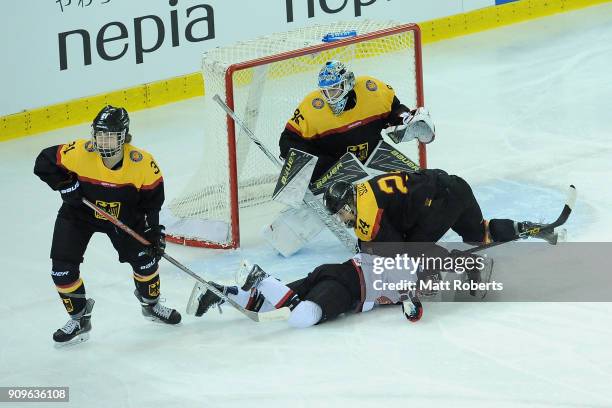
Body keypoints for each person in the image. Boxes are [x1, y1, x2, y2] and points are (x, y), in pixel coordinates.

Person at [34, 105, 181, 346]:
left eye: (111, 135)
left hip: (124, 217)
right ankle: (79, 319)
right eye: (100, 134)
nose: (104, 140)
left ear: (124, 136)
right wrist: (65, 183)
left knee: (147, 261)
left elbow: (152, 203)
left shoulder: (142, 162)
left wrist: (153, 232)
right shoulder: (80, 151)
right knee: (61, 270)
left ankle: (151, 306)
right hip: (79, 214)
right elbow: (43, 161)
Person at [279, 60, 434, 182]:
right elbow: (288, 140)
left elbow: (394, 110)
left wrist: (405, 119)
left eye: (333, 89)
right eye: (324, 91)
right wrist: (319, 165)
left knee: (414, 182)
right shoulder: (312, 106)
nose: (328, 96)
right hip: (334, 169)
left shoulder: (370, 88)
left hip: (374, 155)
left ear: (347, 83)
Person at [187, 256, 433, 329]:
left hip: (331, 273)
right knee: (303, 317)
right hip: (348, 286)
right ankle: (260, 278)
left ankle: (220, 292)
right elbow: (413, 310)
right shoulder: (412, 271)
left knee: (264, 305)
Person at [322, 170, 557, 245]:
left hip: (438, 203)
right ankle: (529, 229)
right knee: (480, 234)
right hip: (455, 186)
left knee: (412, 254)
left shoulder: (368, 214)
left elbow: (396, 250)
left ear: (350, 202)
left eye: (341, 212)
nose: (342, 219)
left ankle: (465, 267)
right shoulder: (365, 189)